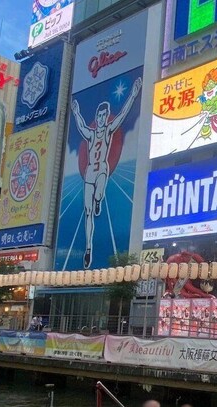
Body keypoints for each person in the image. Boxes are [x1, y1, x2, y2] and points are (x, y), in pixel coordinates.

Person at [70, 77, 143, 269]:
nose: (102, 119)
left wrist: (133, 95)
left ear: (107, 115)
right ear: (97, 117)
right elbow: (80, 125)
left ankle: (98, 200)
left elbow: (122, 115)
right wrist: (76, 111)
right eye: (99, 116)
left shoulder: (109, 130)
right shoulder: (90, 134)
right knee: (87, 213)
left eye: (104, 115)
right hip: (89, 173)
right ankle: (88, 249)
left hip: (102, 168)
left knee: (99, 191)